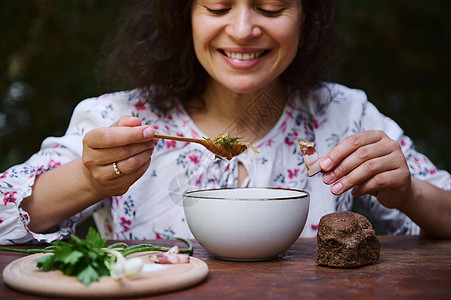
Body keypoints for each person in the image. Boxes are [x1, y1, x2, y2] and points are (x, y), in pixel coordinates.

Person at [0, 0, 450, 245]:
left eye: (271, 8)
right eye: (217, 8)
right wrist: (88, 179)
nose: (242, 29)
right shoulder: (114, 118)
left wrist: (409, 193)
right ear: (184, 18)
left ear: (307, 18)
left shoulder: (346, 114)